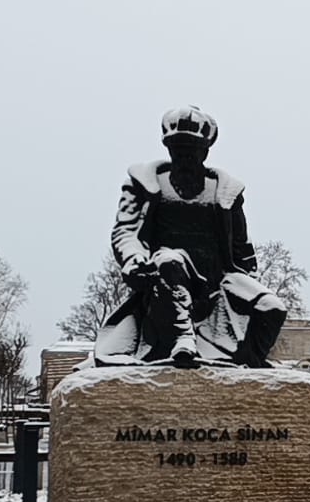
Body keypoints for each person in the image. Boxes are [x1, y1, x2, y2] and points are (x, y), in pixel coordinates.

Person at [94, 106, 287, 368]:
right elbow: (125, 231)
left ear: (204, 151)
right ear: (169, 149)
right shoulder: (145, 184)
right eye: (178, 149)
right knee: (170, 260)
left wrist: (247, 280)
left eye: (191, 150)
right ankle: (183, 340)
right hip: (165, 277)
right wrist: (134, 258)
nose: (184, 156)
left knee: (272, 308)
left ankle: (247, 365)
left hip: (218, 283)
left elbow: (241, 248)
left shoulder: (225, 192)